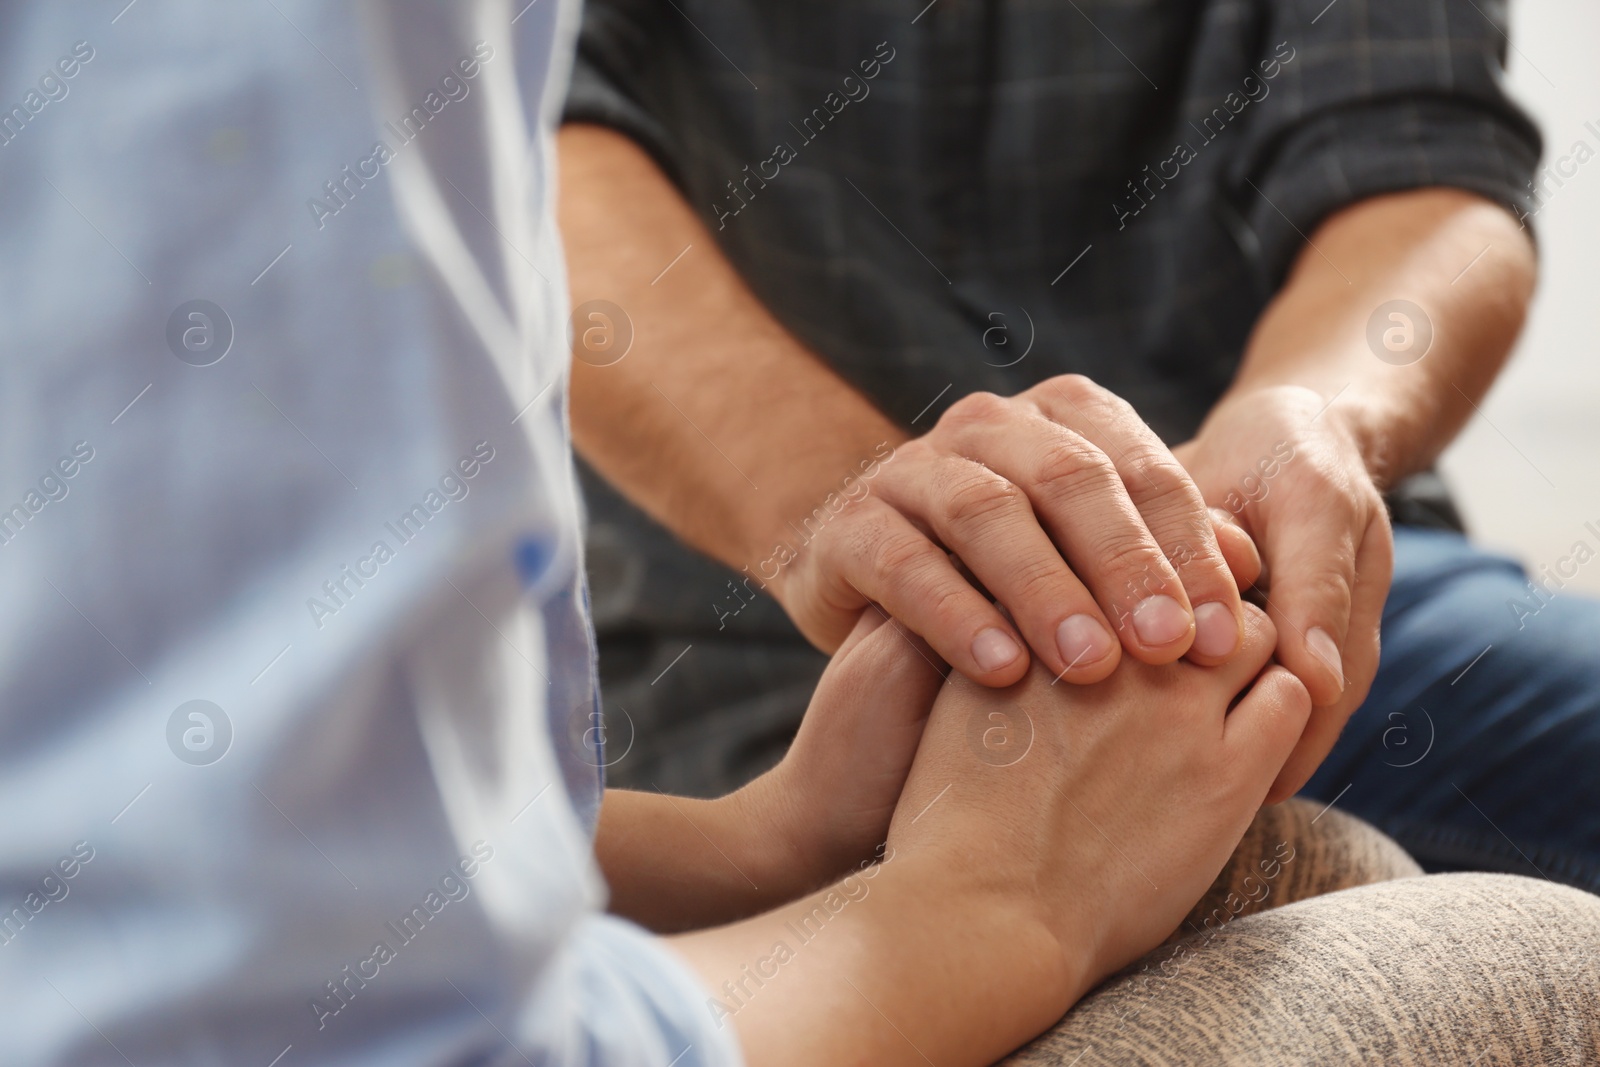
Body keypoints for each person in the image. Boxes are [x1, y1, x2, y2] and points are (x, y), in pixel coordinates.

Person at [6, 3, 1600, 1066]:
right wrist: (971, 907)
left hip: (1240, 604)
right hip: (788, 648)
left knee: (1314, 865)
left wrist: (766, 845)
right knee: (1511, 957)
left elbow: (1423, 156)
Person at [557, 0, 1600, 893]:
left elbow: (1423, 159)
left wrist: (1310, 418)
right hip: (770, 653)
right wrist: (852, 511)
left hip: (1281, 604)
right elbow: (522, 171)